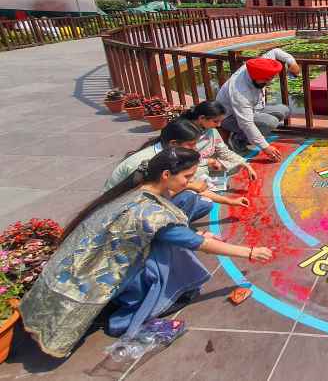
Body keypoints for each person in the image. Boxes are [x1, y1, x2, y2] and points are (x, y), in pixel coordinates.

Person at [19, 148, 274, 358]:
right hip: (90, 282)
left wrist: (200, 221)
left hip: (75, 267)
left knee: (180, 225)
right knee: (169, 257)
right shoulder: (151, 216)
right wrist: (250, 251)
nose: (191, 182)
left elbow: (188, 221)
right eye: (187, 176)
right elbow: (198, 244)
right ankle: (127, 316)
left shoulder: (138, 189)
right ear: (166, 175)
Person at [104, 119, 248, 219]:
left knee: (203, 204)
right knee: (191, 197)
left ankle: (174, 223)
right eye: (191, 144)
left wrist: (230, 201)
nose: (195, 149)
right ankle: (168, 229)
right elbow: (140, 197)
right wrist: (190, 187)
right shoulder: (148, 162)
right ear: (173, 143)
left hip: (144, 199)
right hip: (123, 208)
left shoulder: (170, 156)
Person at [216, 49, 300, 159]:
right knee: (270, 122)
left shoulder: (259, 65)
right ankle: (238, 141)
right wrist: (266, 147)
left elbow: (275, 52)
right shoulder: (240, 92)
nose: (268, 83)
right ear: (254, 77)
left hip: (253, 109)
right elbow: (246, 123)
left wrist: (292, 62)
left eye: (270, 79)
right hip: (228, 117)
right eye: (265, 80)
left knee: (285, 110)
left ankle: (246, 136)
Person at [181, 101, 257, 188]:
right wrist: (208, 162)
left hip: (206, 164)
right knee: (197, 172)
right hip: (189, 167)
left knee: (238, 165)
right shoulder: (185, 133)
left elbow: (224, 152)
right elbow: (181, 160)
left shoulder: (212, 131)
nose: (219, 125)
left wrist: (245, 164)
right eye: (216, 121)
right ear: (202, 118)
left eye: (220, 121)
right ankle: (198, 185)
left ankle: (206, 181)